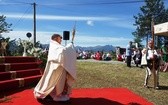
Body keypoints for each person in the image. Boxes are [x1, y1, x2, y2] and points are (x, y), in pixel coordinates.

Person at [34, 34, 77, 102]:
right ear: (56, 38)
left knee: (57, 83)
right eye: (60, 38)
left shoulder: (57, 45)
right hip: (55, 68)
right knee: (50, 82)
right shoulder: (54, 45)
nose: (61, 40)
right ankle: (42, 94)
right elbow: (62, 52)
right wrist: (70, 46)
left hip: (59, 67)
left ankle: (55, 95)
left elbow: (63, 51)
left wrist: (70, 46)